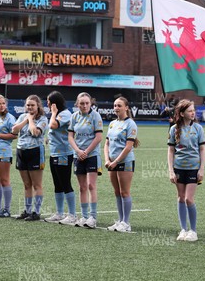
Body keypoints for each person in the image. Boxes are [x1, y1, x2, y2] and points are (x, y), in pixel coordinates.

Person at [167, 99, 205, 242]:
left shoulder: (198, 128)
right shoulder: (174, 129)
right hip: (179, 168)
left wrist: (201, 169)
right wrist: (171, 171)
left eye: (193, 110)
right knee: (180, 198)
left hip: (193, 168)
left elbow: (202, 149)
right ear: (182, 113)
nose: (193, 113)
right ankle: (183, 229)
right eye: (189, 110)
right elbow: (171, 151)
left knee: (189, 199)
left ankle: (193, 231)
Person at [104, 97, 139, 233]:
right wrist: (107, 160)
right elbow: (107, 143)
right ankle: (120, 220)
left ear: (126, 108)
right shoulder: (112, 123)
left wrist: (115, 162)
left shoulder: (130, 124)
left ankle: (126, 222)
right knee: (117, 192)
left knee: (125, 192)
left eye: (119, 105)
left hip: (125, 161)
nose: (116, 108)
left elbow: (128, 147)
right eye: (115, 105)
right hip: (111, 162)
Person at [69, 92, 103, 229]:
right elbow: (70, 136)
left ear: (91, 103)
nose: (84, 106)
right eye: (81, 103)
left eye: (87, 103)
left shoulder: (95, 116)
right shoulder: (74, 117)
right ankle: (83, 216)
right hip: (78, 155)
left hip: (92, 155)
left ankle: (92, 217)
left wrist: (86, 152)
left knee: (91, 186)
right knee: (82, 187)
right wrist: (78, 151)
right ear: (77, 104)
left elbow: (99, 137)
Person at [42, 91, 77, 224]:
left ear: (54, 103)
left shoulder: (65, 114)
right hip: (54, 153)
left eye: (49, 101)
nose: (47, 103)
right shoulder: (57, 114)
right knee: (57, 184)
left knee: (65, 183)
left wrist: (54, 112)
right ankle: (59, 213)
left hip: (64, 154)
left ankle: (72, 214)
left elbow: (53, 125)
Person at [12, 95, 48, 221]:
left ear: (38, 105)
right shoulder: (23, 116)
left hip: (35, 152)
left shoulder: (43, 119)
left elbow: (35, 132)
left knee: (36, 184)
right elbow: (14, 130)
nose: (30, 107)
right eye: (28, 105)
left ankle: (36, 212)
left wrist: (31, 120)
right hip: (21, 151)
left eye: (32, 105)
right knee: (27, 184)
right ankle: (27, 211)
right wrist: (26, 119)